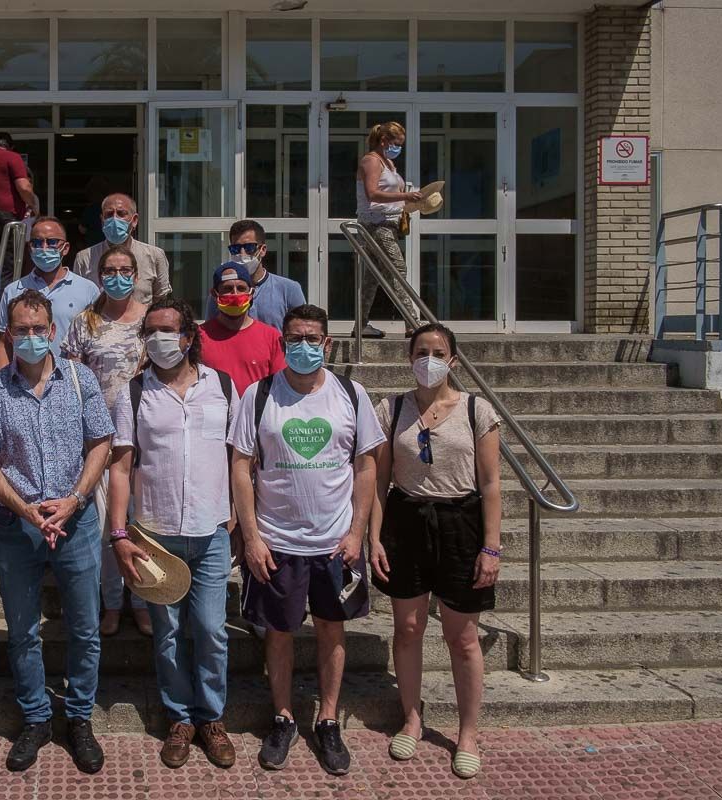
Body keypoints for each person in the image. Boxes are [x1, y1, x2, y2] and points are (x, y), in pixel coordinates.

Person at [229, 304, 383, 776]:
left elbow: (366, 467)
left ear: (328, 344)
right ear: (282, 343)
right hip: (276, 541)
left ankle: (329, 719)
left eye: (312, 338)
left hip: (336, 543)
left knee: (333, 630)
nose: (303, 346)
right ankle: (283, 717)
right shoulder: (258, 396)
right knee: (278, 633)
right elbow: (239, 467)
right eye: (294, 338)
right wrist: (251, 537)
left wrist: (358, 533)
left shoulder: (351, 395)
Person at [0, 289, 114, 775]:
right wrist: (22, 508)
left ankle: (78, 718)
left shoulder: (79, 377)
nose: (30, 338)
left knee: (85, 628)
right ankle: (34, 717)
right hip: (17, 525)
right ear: (8, 333)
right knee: (23, 630)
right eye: (21, 330)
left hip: (78, 521)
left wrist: (74, 500)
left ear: (52, 331)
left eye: (38, 329)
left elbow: (101, 443)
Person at [108, 296, 240, 769]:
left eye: (168, 330)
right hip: (156, 537)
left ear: (188, 337)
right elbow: (120, 467)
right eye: (151, 331)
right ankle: (179, 717)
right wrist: (119, 533)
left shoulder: (222, 386)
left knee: (210, 629)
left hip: (211, 532)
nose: (159, 339)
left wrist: (241, 519)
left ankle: (211, 716)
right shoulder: (134, 393)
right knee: (166, 633)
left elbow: (238, 460)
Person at [369, 323, 501, 780]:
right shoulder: (392, 408)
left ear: (454, 361)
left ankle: (467, 734)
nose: (429, 359)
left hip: (461, 524)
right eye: (421, 351)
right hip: (406, 522)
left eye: (438, 352)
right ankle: (411, 717)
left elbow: (490, 484)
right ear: (409, 358)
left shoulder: (476, 410)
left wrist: (491, 546)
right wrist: (373, 537)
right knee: (407, 627)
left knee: (461, 638)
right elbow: (380, 482)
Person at [61, 245, 152, 637]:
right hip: (99, 441)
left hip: (147, 438)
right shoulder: (85, 322)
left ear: (136, 274)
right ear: (99, 277)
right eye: (110, 270)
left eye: (125, 269)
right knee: (107, 528)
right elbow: (73, 379)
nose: (118, 276)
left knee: (143, 525)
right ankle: (112, 604)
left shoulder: (152, 321)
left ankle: (145, 601)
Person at [0, 216, 100, 369]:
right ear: (30, 248)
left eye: (51, 242)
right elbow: (4, 344)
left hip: (72, 380)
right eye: (37, 243)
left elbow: (96, 343)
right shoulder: (13, 290)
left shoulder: (88, 290)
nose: (44, 247)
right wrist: (2, 385)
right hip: (22, 382)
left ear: (65, 248)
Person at [355, 121, 423, 338]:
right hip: (376, 224)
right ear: (384, 141)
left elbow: (390, 194)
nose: (398, 148)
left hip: (389, 224)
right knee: (397, 270)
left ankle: (361, 323)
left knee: (371, 277)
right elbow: (372, 194)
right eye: (396, 143)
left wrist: (408, 204)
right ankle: (412, 323)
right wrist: (405, 196)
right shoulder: (371, 161)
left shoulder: (388, 164)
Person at [199, 262, 285, 396]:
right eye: (227, 289)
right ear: (214, 294)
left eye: (241, 288)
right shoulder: (198, 337)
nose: (235, 294)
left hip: (256, 414)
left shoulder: (272, 337)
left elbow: (280, 386)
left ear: (251, 293)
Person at [73, 193, 172, 305]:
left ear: (134, 220)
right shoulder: (85, 258)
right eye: (109, 214)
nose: (115, 219)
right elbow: (79, 299)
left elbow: (161, 300)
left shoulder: (154, 256)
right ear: (102, 220)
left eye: (121, 214)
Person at [205, 219, 305, 330]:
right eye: (235, 249)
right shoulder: (222, 292)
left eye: (249, 248)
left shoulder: (289, 289)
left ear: (262, 250)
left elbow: (302, 331)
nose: (242, 254)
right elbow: (210, 332)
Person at [0, 132, 38, 278]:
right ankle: (4, 299)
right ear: (11, 146)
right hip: (6, 220)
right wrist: (33, 205)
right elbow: (24, 187)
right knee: (8, 268)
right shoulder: (12, 157)